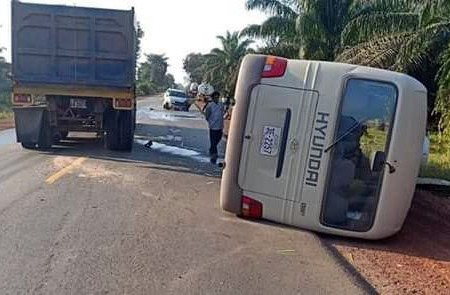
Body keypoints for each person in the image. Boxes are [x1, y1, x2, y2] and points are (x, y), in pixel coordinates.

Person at [203, 91, 225, 164]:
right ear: (212, 98)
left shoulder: (221, 105)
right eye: (215, 97)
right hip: (213, 126)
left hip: (220, 126)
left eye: (217, 97)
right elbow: (207, 116)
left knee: (218, 139)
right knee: (213, 141)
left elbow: (223, 112)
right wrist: (210, 121)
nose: (216, 99)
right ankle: (214, 154)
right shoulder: (210, 106)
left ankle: (212, 148)